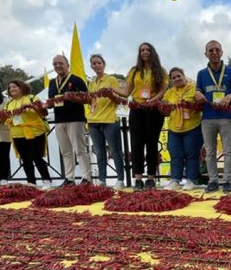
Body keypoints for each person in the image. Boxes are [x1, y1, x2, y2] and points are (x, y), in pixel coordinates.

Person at [194, 40, 231, 193]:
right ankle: (213, 181)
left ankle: (227, 181)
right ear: (206, 54)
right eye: (211, 50)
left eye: (217, 50)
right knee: (210, 152)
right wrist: (197, 94)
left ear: (222, 52)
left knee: (228, 150)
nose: (214, 52)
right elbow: (198, 92)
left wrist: (230, 96)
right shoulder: (201, 74)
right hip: (207, 117)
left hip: (226, 117)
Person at [120, 42, 169, 190]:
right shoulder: (134, 71)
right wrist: (110, 89)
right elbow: (126, 92)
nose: (145, 52)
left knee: (152, 144)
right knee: (136, 144)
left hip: (153, 109)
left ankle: (151, 178)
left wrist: (153, 100)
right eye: (142, 50)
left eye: (147, 49)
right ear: (139, 53)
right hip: (137, 109)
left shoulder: (160, 70)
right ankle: (138, 179)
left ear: (152, 52)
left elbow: (163, 90)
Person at [49, 54, 91, 186]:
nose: (58, 66)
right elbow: (51, 101)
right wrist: (46, 104)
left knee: (80, 150)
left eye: (60, 63)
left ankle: (86, 178)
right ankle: (69, 178)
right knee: (65, 151)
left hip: (75, 119)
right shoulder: (52, 82)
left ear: (67, 65)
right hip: (59, 120)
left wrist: (74, 98)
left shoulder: (77, 80)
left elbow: (88, 99)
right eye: (55, 64)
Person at [87, 54, 125, 189]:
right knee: (99, 152)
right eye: (94, 63)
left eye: (99, 62)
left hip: (109, 120)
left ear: (104, 64)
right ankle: (102, 180)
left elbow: (119, 99)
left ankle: (120, 179)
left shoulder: (111, 79)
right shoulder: (91, 82)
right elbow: (91, 101)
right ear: (91, 66)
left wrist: (110, 94)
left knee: (115, 151)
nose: (96, 65)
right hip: (93, 121)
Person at [5, 79, 52, 188]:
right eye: (10, 87)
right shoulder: (9, 103)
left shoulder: (32, 98)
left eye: (14, 86)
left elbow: (44, 113)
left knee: (37, 157)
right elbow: (6, 117)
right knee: (25, 159)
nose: (12, 89)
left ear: (22, 87)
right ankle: (31, 182)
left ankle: (46, 180)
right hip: (17, 134)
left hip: (35, 132)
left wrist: (35, 107)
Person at [162, 67, 203, 191]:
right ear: (171, 80)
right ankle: (175, 180)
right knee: (175, 155)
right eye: (173, 78)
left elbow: (202, 105)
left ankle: (191, 180)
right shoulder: (169, 93)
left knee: (192, 155)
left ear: (184, 76)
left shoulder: (194, 89)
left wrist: (191, 105)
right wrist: (164, 107)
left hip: (192, 127)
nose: (177, 79)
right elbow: (165, 112)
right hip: (174, 128)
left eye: (179, 76)